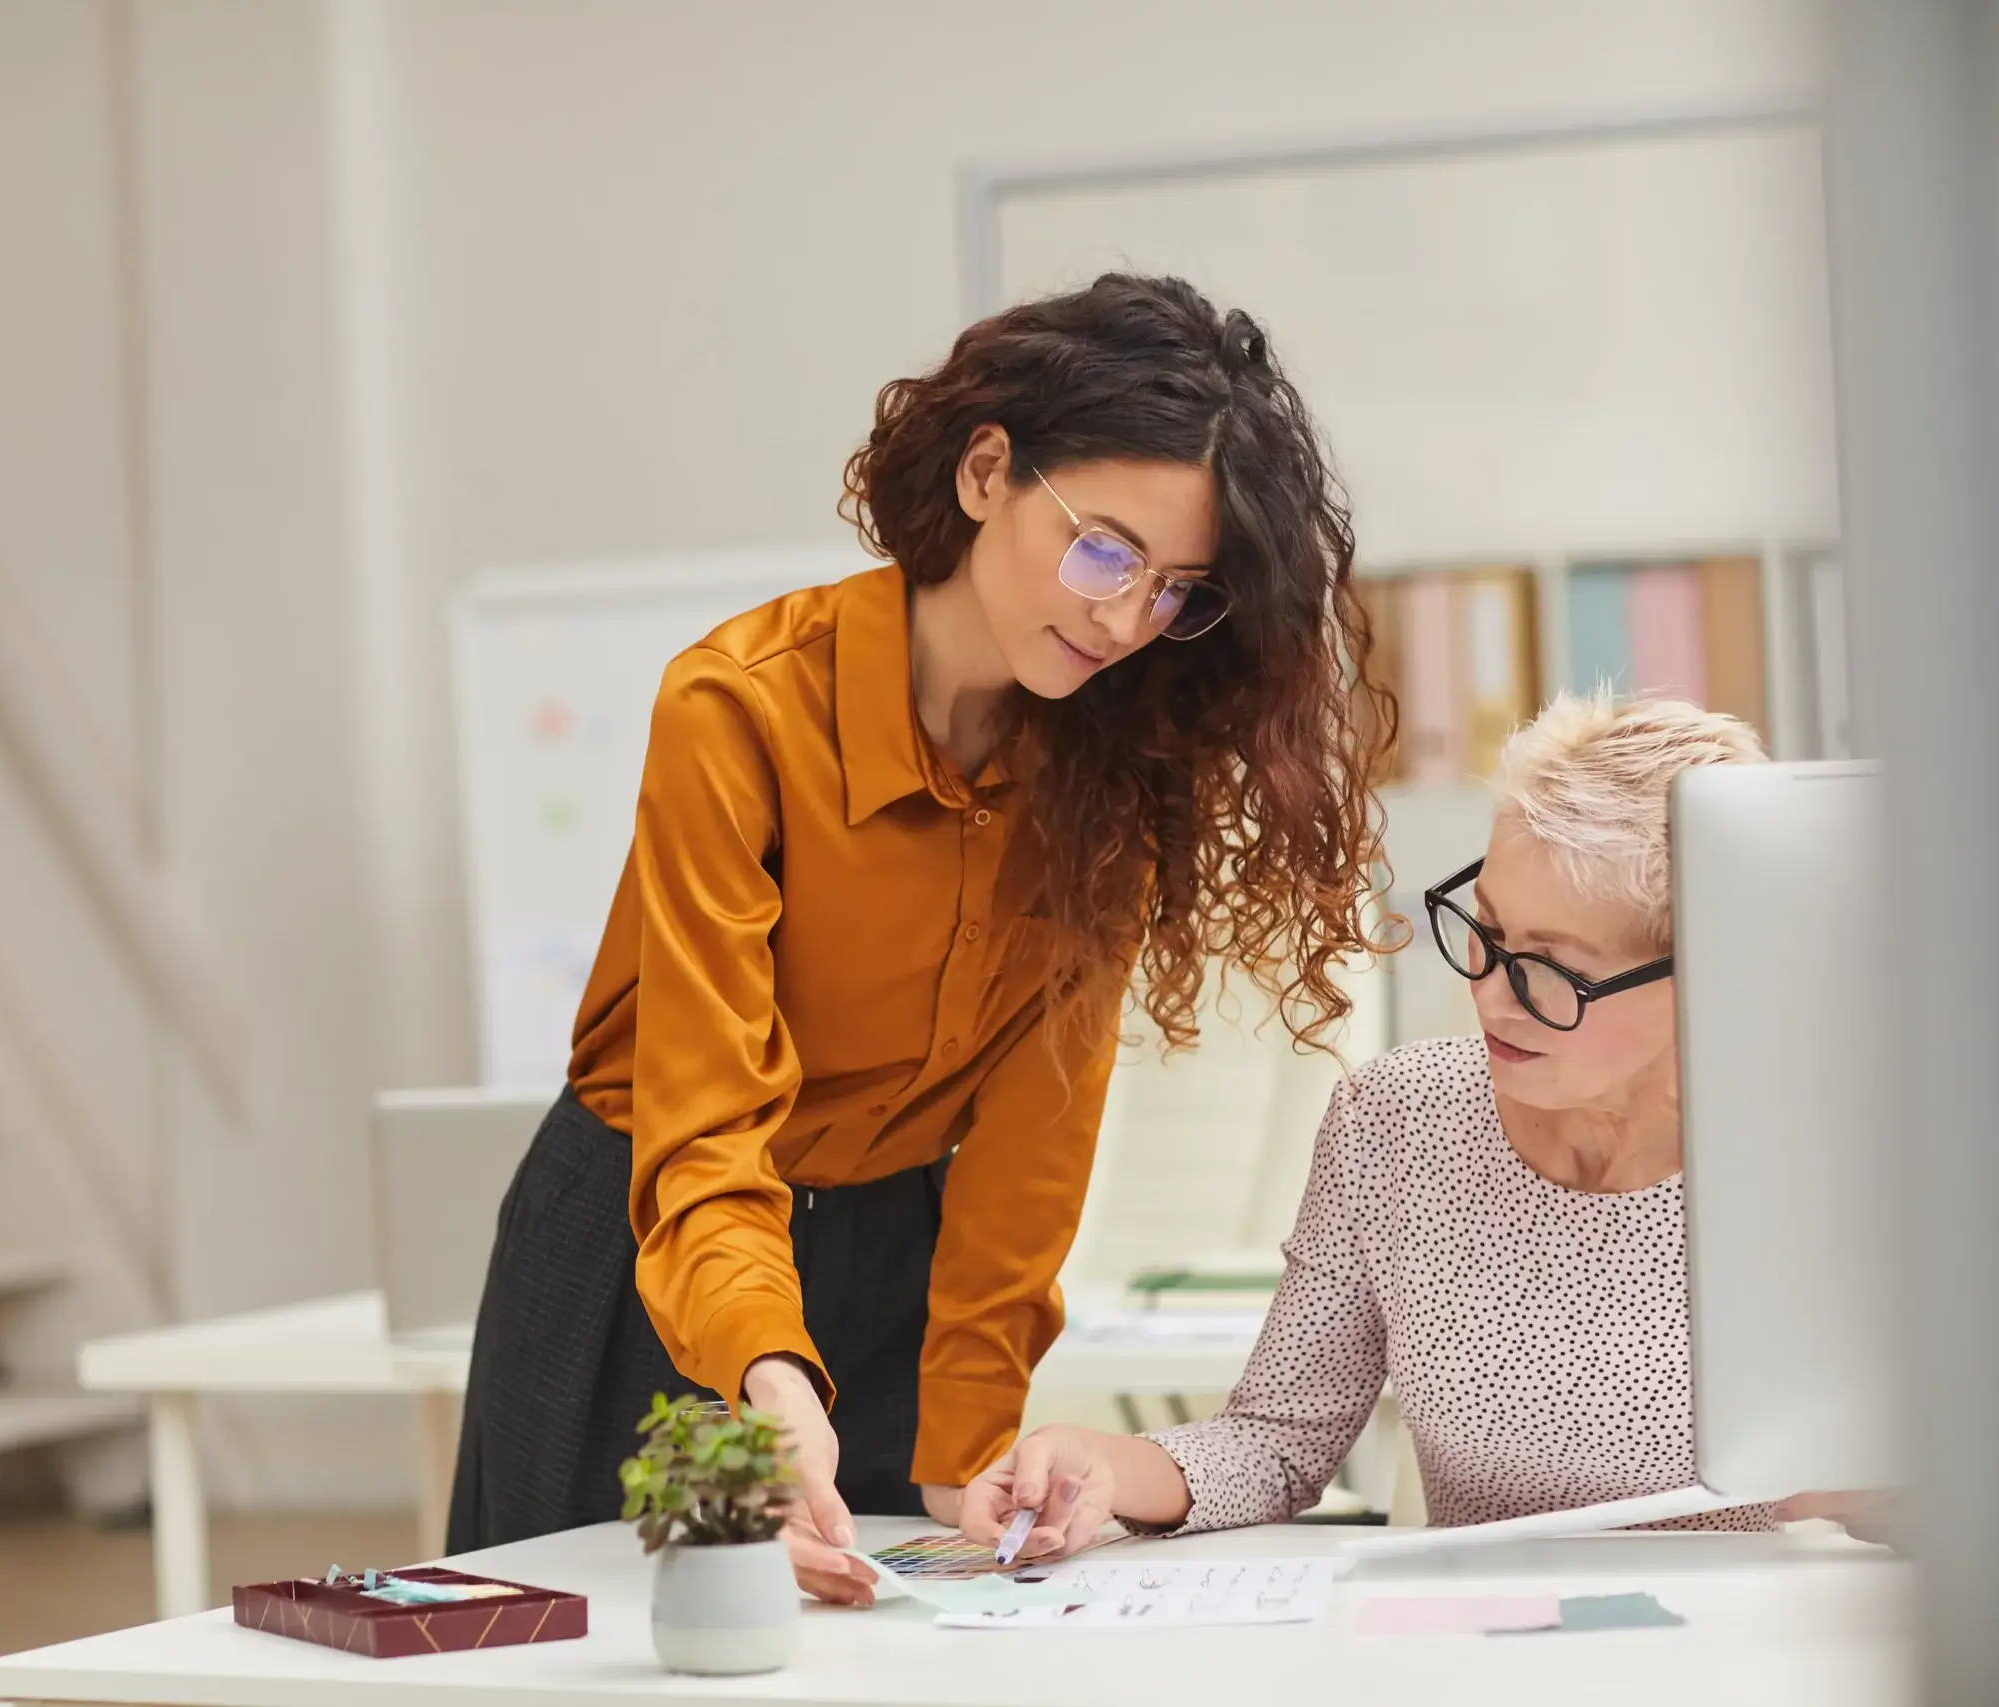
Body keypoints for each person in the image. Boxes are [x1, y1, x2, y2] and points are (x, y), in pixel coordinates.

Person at [447, 274, 1392, 1601]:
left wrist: (965, 1450)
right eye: (1105, 551)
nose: (1126, 620)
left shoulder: (1110, 772)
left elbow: (1031, 1139)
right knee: (586, 1648)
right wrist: (768, 1375)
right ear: (986, 469)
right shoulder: (742, 708)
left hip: (898, 1251)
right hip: (647, 1243)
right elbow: (705, 1118)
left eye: (1176, 589)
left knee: (892, 1639)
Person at [958, 693, 1784, 1558]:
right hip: (1483, 1644)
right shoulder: (1394, 1121)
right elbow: (1275, 1443)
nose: (1491, 993)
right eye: (1487, 929)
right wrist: (1102, 1464)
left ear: (1708, 970)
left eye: (1550, 969)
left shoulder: (1818, 1162)